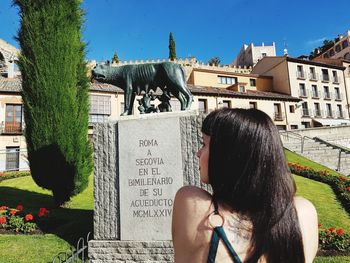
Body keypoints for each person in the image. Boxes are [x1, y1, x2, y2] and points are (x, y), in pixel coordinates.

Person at [172, 108, 318, 263]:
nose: (198, 153)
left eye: (204, 144)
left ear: (227, 154)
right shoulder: (303, 213)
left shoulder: (192, 203)